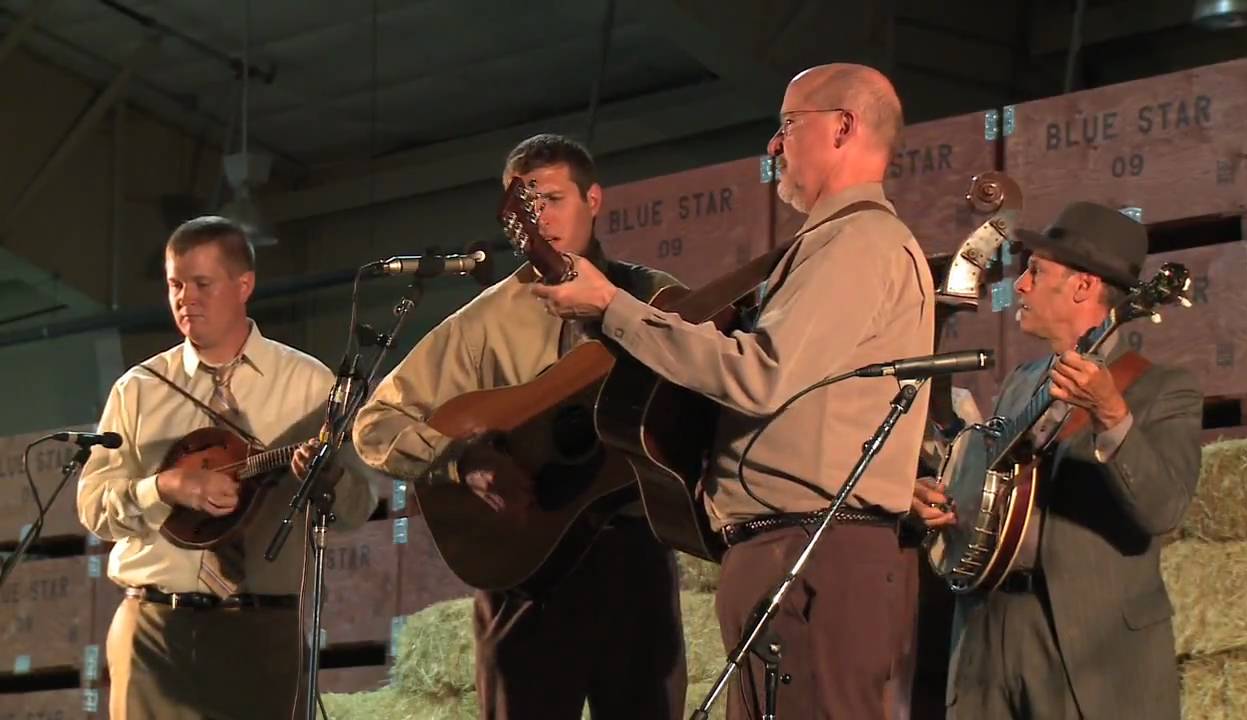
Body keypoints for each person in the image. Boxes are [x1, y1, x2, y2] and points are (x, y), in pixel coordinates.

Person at [535, 64, 934, 718]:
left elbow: (759, 373)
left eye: (787, 125)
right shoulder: (833, 245)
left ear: (843, 126)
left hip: (814, 556)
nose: (773, 147)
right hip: (795, 554)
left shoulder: (860, 241)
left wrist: (613, 306)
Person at [351, 133, 688, 720]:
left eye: (554, 199)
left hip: (636, 558)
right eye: (527, 208)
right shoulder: (482, 323)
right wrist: (460, 460)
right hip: (527, 569)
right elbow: (377, 422)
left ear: (594, 199)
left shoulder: (654, 297)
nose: (543, 220)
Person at [77, 217, 379, 720]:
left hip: (261, 631)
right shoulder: (139, 389)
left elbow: (356, 507)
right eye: (175, 284)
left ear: (244, 285)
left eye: (202, 284)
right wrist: (164, 488)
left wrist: (324, 479)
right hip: (153, 630)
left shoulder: (308, 384)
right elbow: (93, 507)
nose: (185, 298)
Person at [912, 201, 1202, 720]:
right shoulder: (1022, 382)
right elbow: (1001, 507)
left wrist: (1111, 414)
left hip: (1089, 652)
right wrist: (946, 506)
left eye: (1036, 271)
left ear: (1083, 287)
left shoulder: (1164, 391)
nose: (1019, 285)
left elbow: (1163, 509)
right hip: (988, 635)